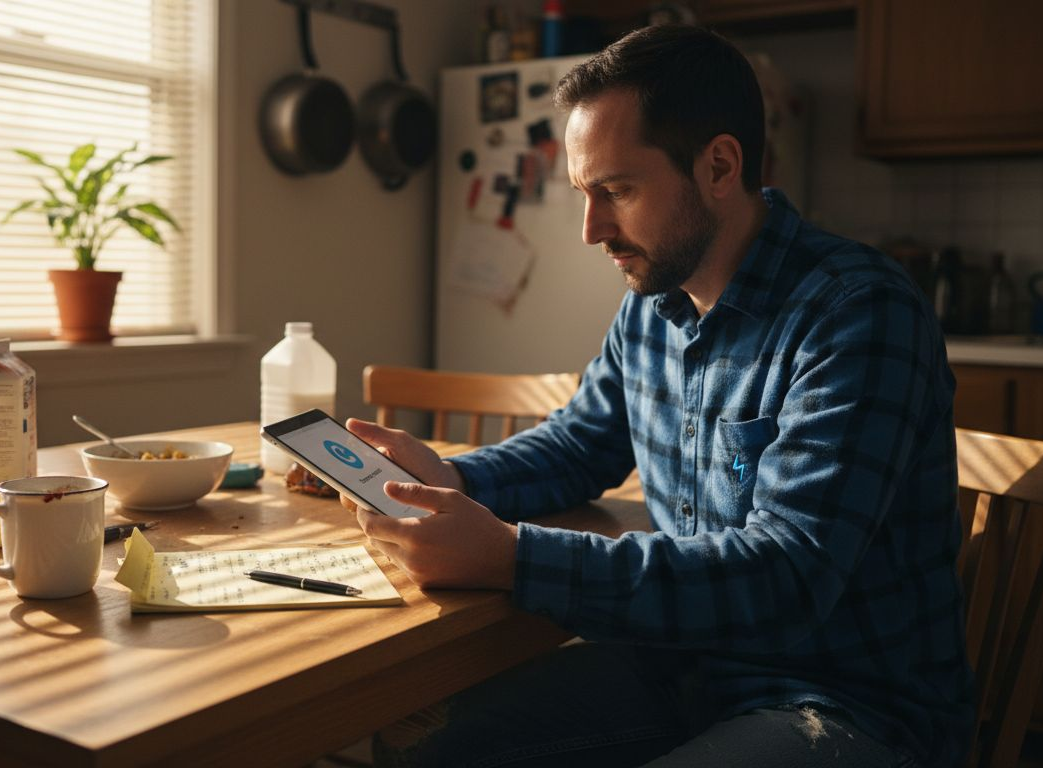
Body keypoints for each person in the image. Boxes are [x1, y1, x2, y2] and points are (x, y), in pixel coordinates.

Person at [342, 24, 973, 768]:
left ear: (719, 166)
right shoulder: (653, 303)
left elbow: (786, 576)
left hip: (845, 705)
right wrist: (454, 479)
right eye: (584, 194)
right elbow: (581, 443)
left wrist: (513, 558)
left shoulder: (857, 312)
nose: (591, 230)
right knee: (431, 749)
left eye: (616, 191)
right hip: (683, 667)